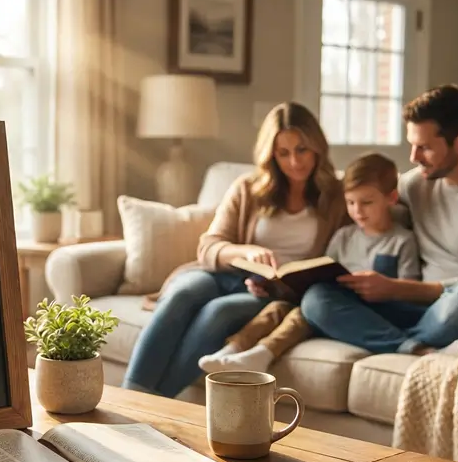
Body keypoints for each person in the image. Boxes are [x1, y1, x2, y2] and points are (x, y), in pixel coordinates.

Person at [120, 102, 349, 398]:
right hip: (223, 273)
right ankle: (129, 397)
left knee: (218, 312)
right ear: (271, 154)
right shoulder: (248, 188)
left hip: (271, 293)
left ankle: (155, 404)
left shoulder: (336, 198)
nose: (294, 161)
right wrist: (246, 251)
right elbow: (209, 246)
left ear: (317, 145)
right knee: (181, 294)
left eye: (302, 149)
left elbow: (345, 254)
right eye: (283, 153)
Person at [300, 84, 458, 355]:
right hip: (421, 310)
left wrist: (395, 288)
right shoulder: (416, 184)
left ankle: (383, 337)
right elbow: (372, 211)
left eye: (424, 147)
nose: (414, 158)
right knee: (317, 299)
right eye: (412, 145)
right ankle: (415, 348)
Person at [197, 152, 422, 373]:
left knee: (305, 312)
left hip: (363, 312)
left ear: (391, 198)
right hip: (332, 300)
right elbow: (324, 269)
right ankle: (233, 348)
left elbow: (407, 291)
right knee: (278, 308)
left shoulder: (402, 240)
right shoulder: (343, 236)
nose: (357, 211)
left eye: (366, 202)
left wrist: (383, 287)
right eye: (351, 203)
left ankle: (262, 354)